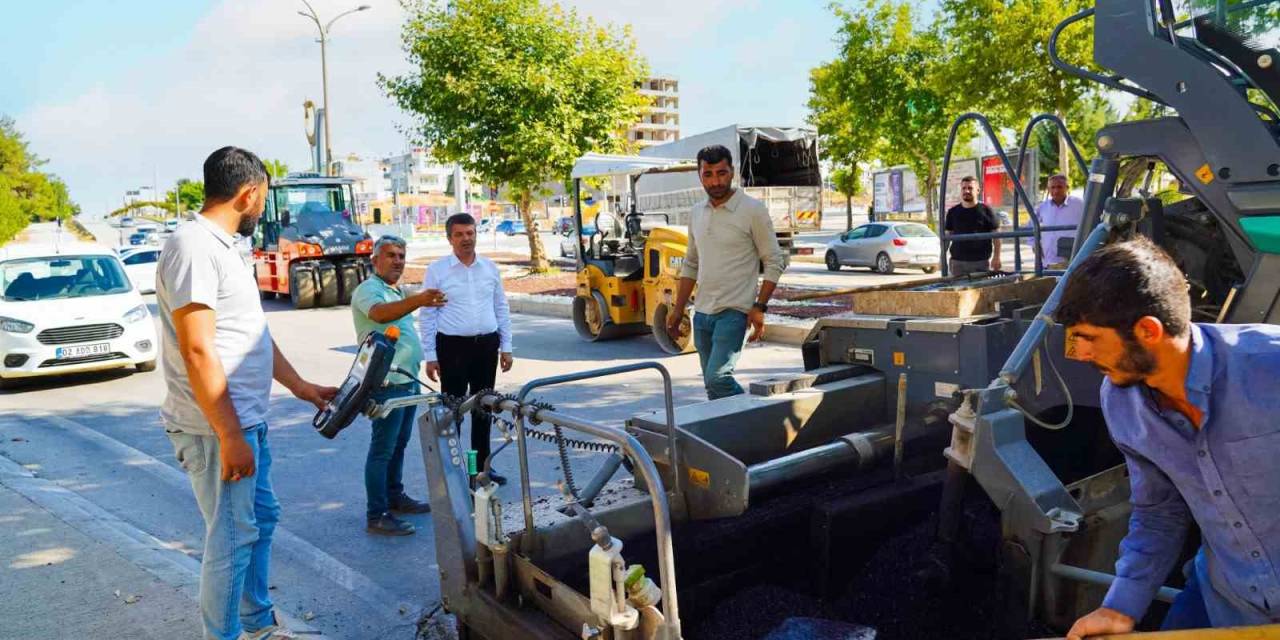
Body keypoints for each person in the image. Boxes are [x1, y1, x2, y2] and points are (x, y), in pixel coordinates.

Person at [1057, 237, 1280, 638]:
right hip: (1225, 601)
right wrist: (1121, 606)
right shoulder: (1121, 401)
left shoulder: (1271, 365)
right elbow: (1159, 512)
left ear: (1147, 330)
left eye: (1089, 339)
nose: (1082, 356)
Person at [157, 146, 338, 640]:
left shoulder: (223, 247)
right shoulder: (193, 247)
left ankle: (258, 624)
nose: (261, 210)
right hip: (217, 429)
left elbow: (249, 333)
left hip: (244, 422)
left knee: (261, 519)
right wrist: (230, 435)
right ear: (249, 193)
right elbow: (197, 350)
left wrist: (300, 386)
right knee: (233, 539)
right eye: (261, 200)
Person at [666, 144, 785, 400]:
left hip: (734, 311)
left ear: (732, 172)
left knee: (718, 379)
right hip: (703, 313)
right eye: (708, 174)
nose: (715, 181)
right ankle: (731, 437)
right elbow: (691, 264)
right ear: (699, 176)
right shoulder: (697, 212)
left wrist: (759, 307)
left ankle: (759, 417)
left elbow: (774, 261)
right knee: (712, 387)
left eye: (721, 173)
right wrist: (677, 310)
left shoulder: (752, 210)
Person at [350, 235, 446, 536]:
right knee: (383, 448)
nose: (398, 261)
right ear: (375, 260)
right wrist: (419, 299)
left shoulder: (395, 290)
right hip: (386, 382)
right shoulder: (369, 290)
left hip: (407, 379)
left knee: (400, 444)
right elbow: (379, 314)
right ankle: (376, 513)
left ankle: (395, 495)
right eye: (390, 255)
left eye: (401, 255)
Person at [420, 213, 513, 484]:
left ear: (476, 234)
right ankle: (455, 470)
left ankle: (481, 468)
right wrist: (430, 355)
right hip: (452, 348)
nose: (466, 239)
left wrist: (506, 347)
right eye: (459, 234)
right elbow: (428, 315)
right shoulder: (437, 270)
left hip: (486, 345)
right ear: (449, 238)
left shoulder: (489, 268)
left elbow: (501, 307)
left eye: (470, 233)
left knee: (484, 409)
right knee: (454, 411)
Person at [944, 176, 1001, 276]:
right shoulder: (952, 212)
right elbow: (947, 236)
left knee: (979, 291)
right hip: (957, 262)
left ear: (978, 190)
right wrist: (942, 256)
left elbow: (997, 237)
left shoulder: (987, 210)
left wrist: (997, 257)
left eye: (970, 188)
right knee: (957, 290)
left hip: (980, 262)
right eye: (964, 188)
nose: (967, 191)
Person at [1033, 174, 1084, 268]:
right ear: (1049, 189)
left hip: (1070, 260)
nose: (1056, 191)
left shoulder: (1079, 205)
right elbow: (1030, 227)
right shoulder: (1042, 207)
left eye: (1059, 187)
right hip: (1048, 261)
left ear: (1067, 188)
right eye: (1052, 187)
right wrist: (1034, 244)